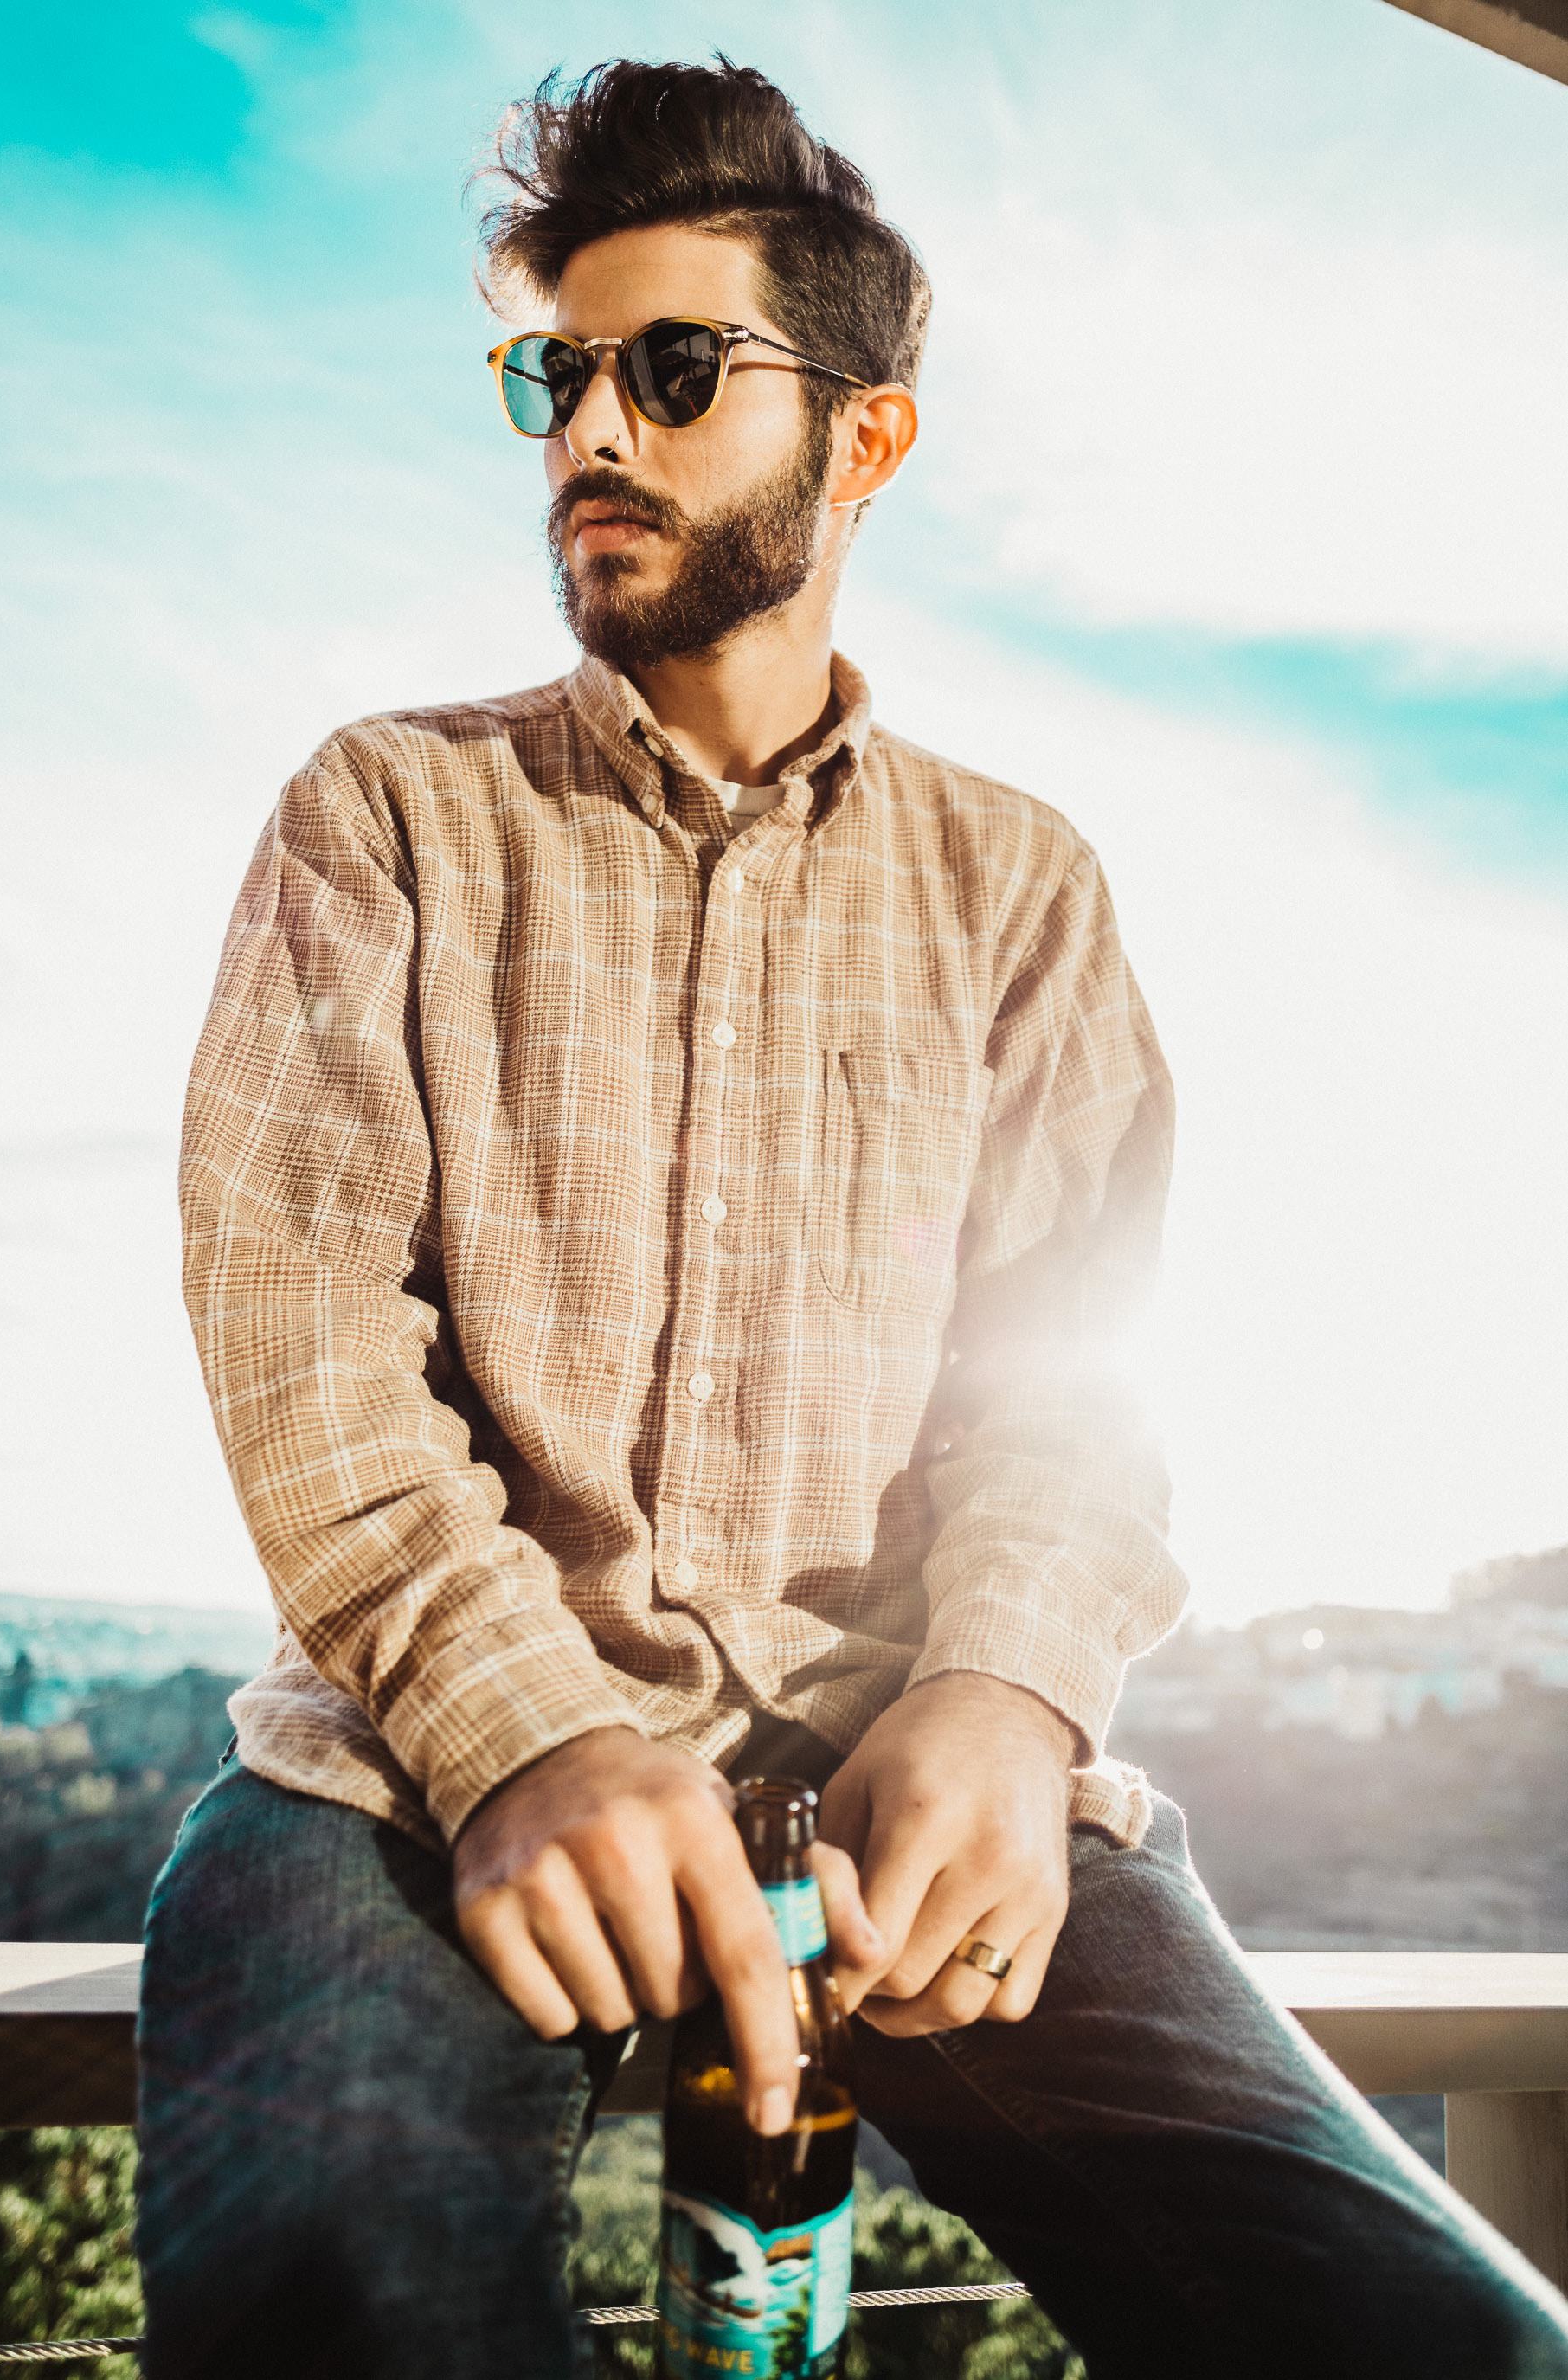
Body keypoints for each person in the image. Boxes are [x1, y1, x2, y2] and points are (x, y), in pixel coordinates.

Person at [136, 55, 1568, 2380]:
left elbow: (1073, 1390)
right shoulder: (386, 812)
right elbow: (298, 1322)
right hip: (409, 1778)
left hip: (911, 1778)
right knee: (340, 2313)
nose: (591, 430)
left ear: (865, 435)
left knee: (1445, 2347)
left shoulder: (1019, 888)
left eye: (671, 367)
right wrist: (525, 1732)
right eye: (554, 376)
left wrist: (1006, 1692)